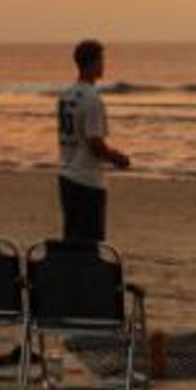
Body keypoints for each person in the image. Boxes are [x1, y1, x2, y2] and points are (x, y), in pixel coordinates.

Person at [53, 38, 132, 247]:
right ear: (93, 63)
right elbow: (95, 143)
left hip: (67, 175)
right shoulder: (92, 99)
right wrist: (118, 158)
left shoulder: (66, 96)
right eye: (101, 60)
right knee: (90, 243)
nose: (103, 65)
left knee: (71, 238)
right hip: (87, 180)